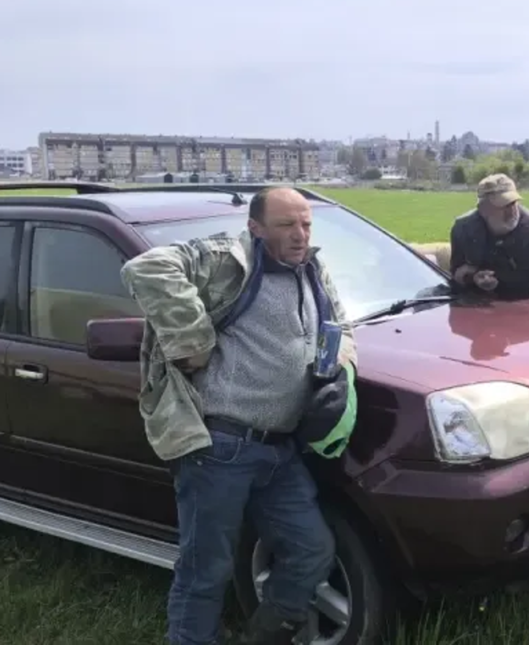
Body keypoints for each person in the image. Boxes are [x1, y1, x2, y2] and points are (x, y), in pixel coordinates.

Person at [120, 186, 358, 645]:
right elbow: (146, 266)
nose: (300, 235)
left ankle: (263, 636)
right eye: (286, 225)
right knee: (205, 571)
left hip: (280, 452)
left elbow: (340, 326)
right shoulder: (228, 261)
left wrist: (341, 369)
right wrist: (191, 338)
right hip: (220, 448)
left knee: (312, 550)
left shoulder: (312, 268)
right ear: (255, 227)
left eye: (306, 224)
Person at [448, 173, 529, 299]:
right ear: (483, 209)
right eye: (503, 206)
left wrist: (483, 276)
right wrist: (473, 278)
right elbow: (456, 273)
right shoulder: (463, 229)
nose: (511, 211)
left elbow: (527, 284)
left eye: (513, 203)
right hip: (474, 306)